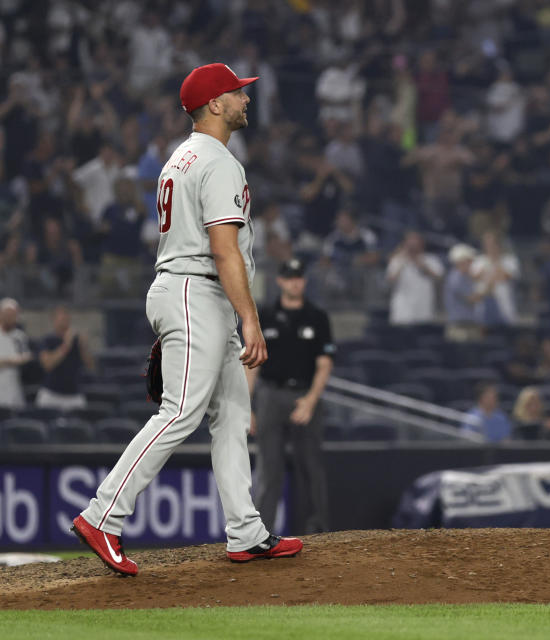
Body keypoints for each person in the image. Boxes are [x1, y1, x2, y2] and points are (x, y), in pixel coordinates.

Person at [72, 63, 303, 577]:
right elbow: (225, 251)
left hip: (191, 291)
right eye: (237, 92)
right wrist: (252, 320)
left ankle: (246, 531)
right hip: (196, 290)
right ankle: (102, 514)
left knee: (231, 416)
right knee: (180, 412)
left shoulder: (179, 157)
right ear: (215, 104)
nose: (246, 98)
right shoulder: (218, 161)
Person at [248, 258, 335, 534]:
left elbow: (325, 364)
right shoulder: (265, 315)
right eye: (290, 277)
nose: (295, 282)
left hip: (304, 396)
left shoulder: (317, 317)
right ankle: (261, 533)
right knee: (269, 469)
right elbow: (252, 363)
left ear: (304, 282)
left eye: (299, 277)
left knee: (311, 466)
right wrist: (246, 406)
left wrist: (310, 400)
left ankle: (317, 531)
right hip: (270, 396)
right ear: (280, 281)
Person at [35, 305, 96, 411]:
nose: (65, 321)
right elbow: (47, 365)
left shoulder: (77, 341)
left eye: (67, 318)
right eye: (62, 318)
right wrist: (66, 345)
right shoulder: (47, 340)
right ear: (54, 320)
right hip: (51, 394)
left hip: (74, 395)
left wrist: (84, 347)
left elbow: (91, 366)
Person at [386, 231, 444, 326]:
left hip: (424, 309)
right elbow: (390, 280)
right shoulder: (396, 260)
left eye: (415, 243)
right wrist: (402, 260)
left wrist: (422, 265)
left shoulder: (431, 259)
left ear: (422, 244)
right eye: (410, 244)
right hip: (402, 311)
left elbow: (439, 277)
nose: (413, 246)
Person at [442, 243, 484, 342]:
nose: (472, 263)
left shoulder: (467, 277)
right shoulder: (455, 278)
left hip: (470, 324)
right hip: (459, 327)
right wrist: (489, 287)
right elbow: (472, 299)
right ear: (460, 261)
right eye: (469, 260)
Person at [0, 298, 31, 411]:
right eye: (7, 314)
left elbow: (27, 357)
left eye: (14, 315)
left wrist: (7, 362)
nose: (10, 318)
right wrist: (13, 361)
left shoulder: (20, 336)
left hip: (14, 389)